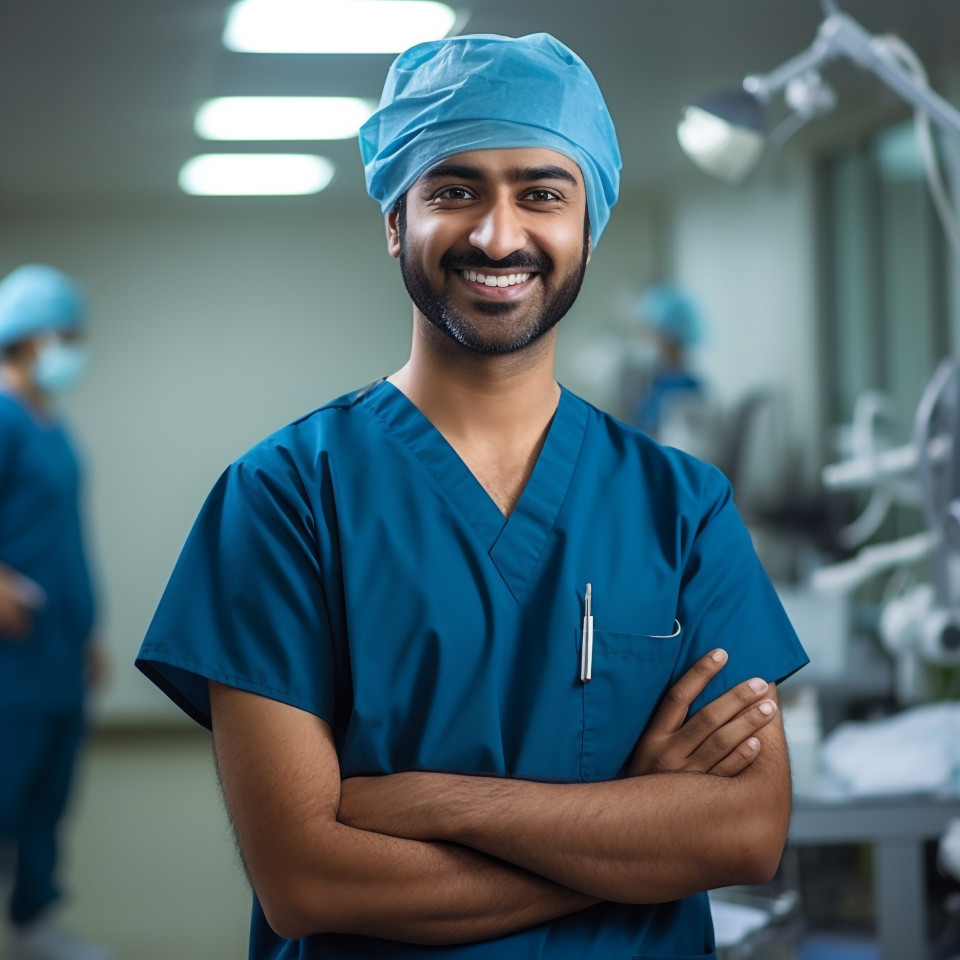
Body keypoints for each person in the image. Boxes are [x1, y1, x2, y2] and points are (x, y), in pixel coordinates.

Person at [136, 32, 808, 960]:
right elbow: (305, 879)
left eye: (542, 194)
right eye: (454, 191)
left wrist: (431, 801)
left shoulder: (682, 507)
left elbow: (741, 834)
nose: (499, 234)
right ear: (392, 221)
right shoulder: (286, 497)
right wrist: (627, 833)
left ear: (588, 224)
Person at [0, 265, 113, 960]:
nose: (73, 348)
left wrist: (87, 630)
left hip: (59, 647)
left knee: (48, 793)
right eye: (65, 335)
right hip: (12, 654)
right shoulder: (5, 415)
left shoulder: (52, 422)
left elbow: (62, 536)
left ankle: (35, 923)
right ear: (29, 335)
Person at [630, 283, 706, 438]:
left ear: (670, 337)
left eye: (651, 332)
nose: (645, 339)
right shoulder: (657, 383)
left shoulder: (685, 389)